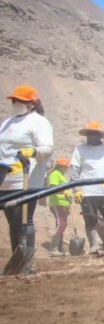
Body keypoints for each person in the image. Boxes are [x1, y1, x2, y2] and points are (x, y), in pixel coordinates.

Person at [0, 85, 54, 274]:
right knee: (12, 222)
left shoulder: (39, 122)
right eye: (14, 100)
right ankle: (17, 258)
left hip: (26, 179)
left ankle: (27, 263)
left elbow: (47, 149)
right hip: (5, 179)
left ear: (31, 103)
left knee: (23, 220)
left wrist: (32, 151)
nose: (16, 104)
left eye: (21, 101)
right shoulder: (6, 123)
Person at [71, 121, 104, 255]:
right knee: (90, 219)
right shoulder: (80, 149)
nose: (91, 137)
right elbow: (74, 170)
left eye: (94, 134)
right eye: (89, 134)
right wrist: (76, 190)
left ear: (100, 136)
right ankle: (94, 245)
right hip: (87, 192)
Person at [47, 158, 72, 256]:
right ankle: (53, 249)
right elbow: (53, 187)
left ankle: (59, 248)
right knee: (60, 226)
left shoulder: (61, 175)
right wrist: (64, 192)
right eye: (65, 167)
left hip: (63, 204)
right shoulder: (55, 174)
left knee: (63, 226)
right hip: (57, 203)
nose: (66, 169)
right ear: (60, 166)